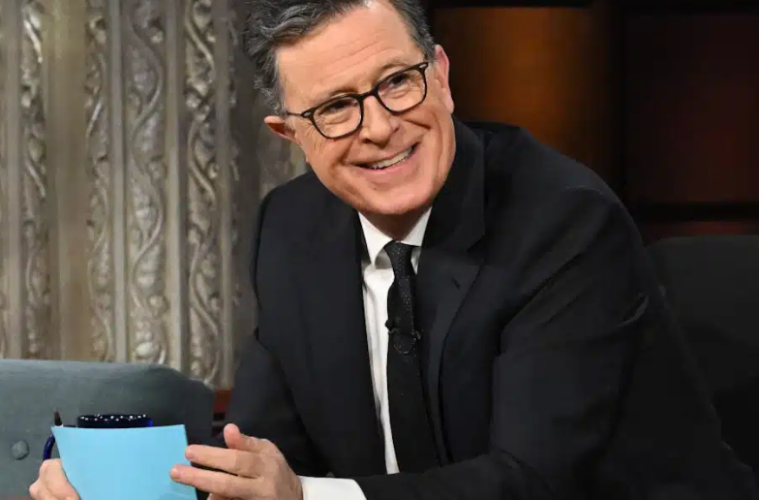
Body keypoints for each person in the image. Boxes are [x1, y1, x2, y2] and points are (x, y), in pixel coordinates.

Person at [30, 0, 758, 499]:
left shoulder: (563, 223)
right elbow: (259, 450)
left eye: (397, 83)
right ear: (290, 134)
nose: (379, 127)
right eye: (335, 108)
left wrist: (305, 497)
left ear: (440, 74)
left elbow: (531, 481)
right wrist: (109, 482)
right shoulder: (292, 229)